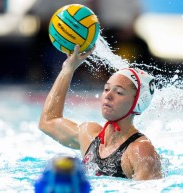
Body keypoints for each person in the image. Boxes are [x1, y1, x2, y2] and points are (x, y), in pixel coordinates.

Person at [38, 45, 162, 180]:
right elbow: (48, 121)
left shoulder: (140, 151)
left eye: (119, 92)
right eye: (107, 89)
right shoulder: (89, 135)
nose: (108, 96)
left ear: (137, 102)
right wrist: (67, 70)